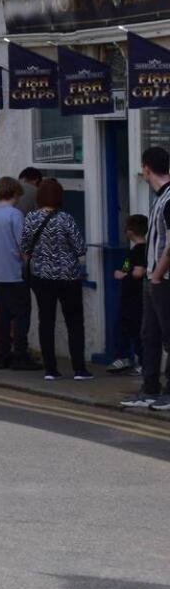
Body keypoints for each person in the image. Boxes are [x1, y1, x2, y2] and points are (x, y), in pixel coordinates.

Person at [21, 178, 89, 381]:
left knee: (46, 321)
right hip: (68, 277)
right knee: (75, 323)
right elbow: (80, 248)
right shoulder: (66, 219)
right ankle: (79, 369)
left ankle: (50, 369)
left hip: (41, 277)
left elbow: (24, 247)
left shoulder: (31, 219)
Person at [124, 147, 170, 410]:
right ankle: (150, 389)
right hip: (155, 278)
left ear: (146, 169)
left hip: (164, 279)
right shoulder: (159, 198)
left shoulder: (169, 199)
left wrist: (157, 274)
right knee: (149, 334)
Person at [0, 176, 34, 370]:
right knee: (22, 315)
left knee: (4, 316)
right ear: (15, 193)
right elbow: (23, 245)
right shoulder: (15, 215)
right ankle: (21, 355)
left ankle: (4, 355)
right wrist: (29, 262)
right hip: (14, 272)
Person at [108, 213, 147, 376]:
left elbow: (138, 272)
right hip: (129, 296)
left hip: (135, 296)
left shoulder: (139, 251)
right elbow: (126, 268)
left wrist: (123, 275)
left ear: (130, 232)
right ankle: (123, 357)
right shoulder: (133, 252)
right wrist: (122, 272)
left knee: (136, 330)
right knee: (124, 328)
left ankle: (143, 362)